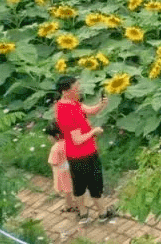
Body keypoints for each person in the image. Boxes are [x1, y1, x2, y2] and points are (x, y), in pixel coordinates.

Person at [54, 76, 115, 223]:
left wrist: (101, 105)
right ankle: (102, 214)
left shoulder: (70, 103)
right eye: (76, 87)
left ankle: (83, 215)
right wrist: (94, 132)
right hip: (82, 155)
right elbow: (77, 139)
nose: (79, 89)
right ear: (65, 91)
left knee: (79, 185)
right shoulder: (65, 111)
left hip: (77, 155)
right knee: (94, 184)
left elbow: (89, 110)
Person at [46, 122, 75, 213]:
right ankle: (77, 203)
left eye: (49, 136)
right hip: (72, 169)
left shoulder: (55, 148)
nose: (48, 138)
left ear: (55, 136)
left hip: (62, 173)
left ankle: (68, 205)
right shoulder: (70, 142)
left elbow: (53, 162)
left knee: (67, 190)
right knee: (74, 187)